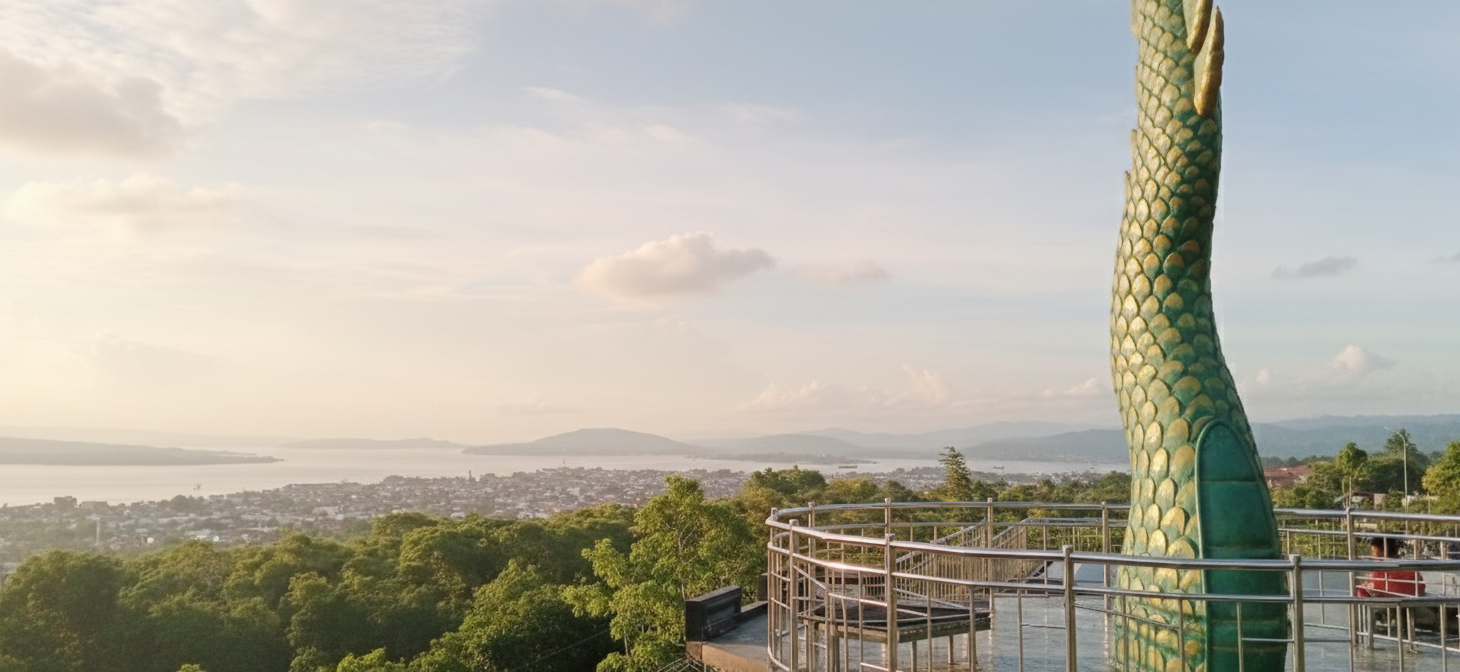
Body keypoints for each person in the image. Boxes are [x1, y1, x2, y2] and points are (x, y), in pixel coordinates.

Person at [1358, 536, 1425, 598]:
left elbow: (1362, 592)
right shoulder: (1411, 570)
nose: (1373, 557)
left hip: (1391, 604)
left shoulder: (1381, 574)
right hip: (1413, 603)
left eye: (1374, 553)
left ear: (1383, 552)